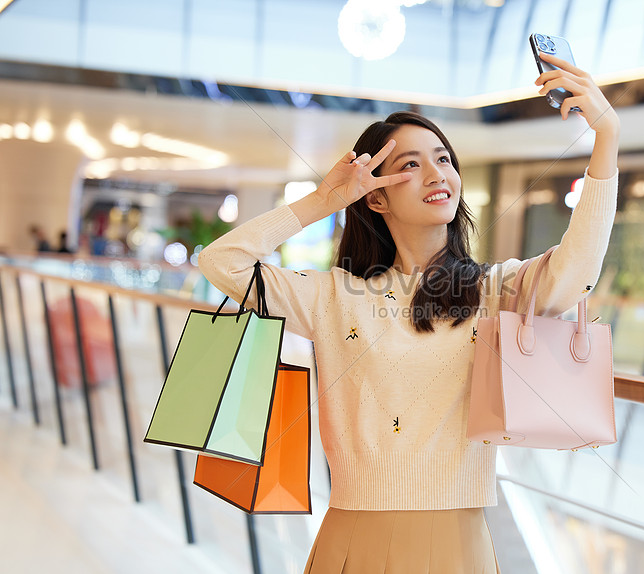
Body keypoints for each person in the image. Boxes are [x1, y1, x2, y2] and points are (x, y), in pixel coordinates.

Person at [198, 51, 619, 573]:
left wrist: (606, 141)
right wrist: (322, 201)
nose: (436, 173)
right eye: (410, 165)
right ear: (376, 198)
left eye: (443, 159)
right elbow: (222, 262)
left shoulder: (493, 289)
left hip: (455, 539)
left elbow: (575, 273)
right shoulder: (333, 296)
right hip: (352, 533)